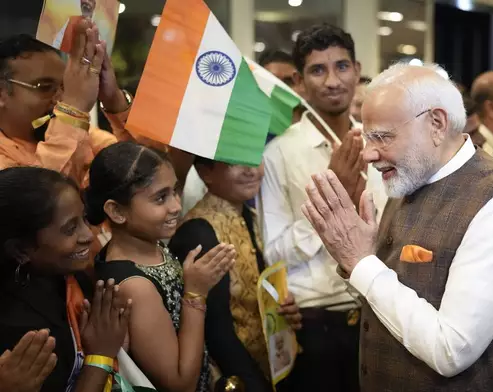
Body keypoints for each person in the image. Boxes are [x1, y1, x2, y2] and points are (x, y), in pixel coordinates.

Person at [301, 63, 493, 391]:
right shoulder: (409, 178)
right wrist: (355, 261)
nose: (369, 154)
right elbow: (386, 302)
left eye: (382, 137)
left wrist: (362, 262)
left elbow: (451, 350)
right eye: (366, 137)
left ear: (437, 124)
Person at [260, 24, 387, 392]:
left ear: (357, 70)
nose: (333, 81)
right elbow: (275, 254)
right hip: (316, 323)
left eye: (341, 67)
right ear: (299, 81)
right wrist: (333, 201)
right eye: (318, 70)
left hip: (382, 312)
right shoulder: (279, 154)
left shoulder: (381, 141)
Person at [87, 142, 236, 392]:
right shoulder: (134, 287)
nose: (176, 206)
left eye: (175, 191)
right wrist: (195, 294)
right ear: (116, 211)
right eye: (160, 198)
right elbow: (179, 384)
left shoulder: (149, 245)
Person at [170, 157, 302, 391]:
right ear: (205, 172)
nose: (251, 170)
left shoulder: (248, 214)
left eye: (255, 158)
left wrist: (281, 308)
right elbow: (215, 330)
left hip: (272, 366)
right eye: (235, 162)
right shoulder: (198, 232)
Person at [0, 166, 131, 392]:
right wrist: (101, 356)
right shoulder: (18, 330)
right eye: (70, 229)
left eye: (83, 219)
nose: (88, 235)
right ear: (21, 250)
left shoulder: (69, 275)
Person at [0, 26, 132, 188]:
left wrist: (114, 100)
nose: (60, 98)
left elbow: (144, 170)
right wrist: (73, 107)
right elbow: (40, 200)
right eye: (45, 87)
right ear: (2, 94)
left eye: (65, 87)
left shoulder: (80, 132)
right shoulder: (70, 127)